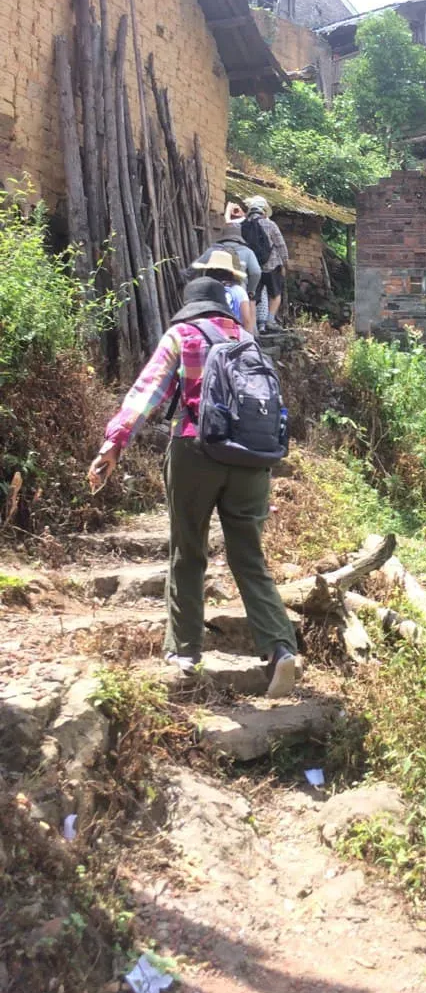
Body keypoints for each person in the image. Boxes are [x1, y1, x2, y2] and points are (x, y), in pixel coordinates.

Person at [87, 275, 301, 696]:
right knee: (249, 557)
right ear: (224, 306)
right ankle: (280, 648)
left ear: (190, 306)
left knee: (188, 549)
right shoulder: (248, 340)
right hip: (251, 461)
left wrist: (114, 443)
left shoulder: (182, 335)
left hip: (195, 453)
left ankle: (185, 651)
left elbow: (146, 392)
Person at [243, 196, 289, 333]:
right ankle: (270, 321)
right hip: (272, 265)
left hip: (253, 267)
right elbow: (281, 245)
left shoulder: (243, 225)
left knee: (253, 295)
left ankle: (253, 326)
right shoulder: (270, 224)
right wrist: (285, 263)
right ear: (263, 211)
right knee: (275, 294)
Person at [190, 246, 256, 335]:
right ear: (231, 271)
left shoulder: (203, 289)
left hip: (208, 337)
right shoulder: (238, 291)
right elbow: (247, 321)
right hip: (233, 339)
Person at [216, 202, 262, 303]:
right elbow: (256, 272)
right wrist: (251, 290)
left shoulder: (215, 249)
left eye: (238, 209)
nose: (236, 212)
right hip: (240, 288)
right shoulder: (247, 252)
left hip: (217, 291)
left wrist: (228, 210)